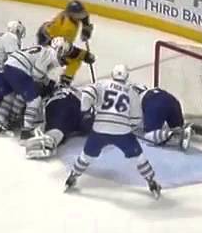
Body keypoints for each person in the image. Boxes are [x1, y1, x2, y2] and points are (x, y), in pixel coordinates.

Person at [65, 64, 162, 198]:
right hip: (122, 132)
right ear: (126, 77)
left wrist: (85, 111)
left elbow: (86, 93)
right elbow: (136, 118)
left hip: (99, 129)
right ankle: (151, 182)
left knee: (86, 155)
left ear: (112, 74)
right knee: (138, 157)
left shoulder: (102, 84)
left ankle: (72, 177)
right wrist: (129, 127)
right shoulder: (132, 92)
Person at [0, 37, 71, 135]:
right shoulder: (49, 53)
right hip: (19, 70)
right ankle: (27, 130)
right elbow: (37, 73)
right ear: (59, 49)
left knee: (11, 96)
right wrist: (47, 82)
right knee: (35, 100)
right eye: (64, 52)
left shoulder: (40, 48)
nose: (63, 55)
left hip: (8, 67)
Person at [134, 85, 202, 151]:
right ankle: (195, 128)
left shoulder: (130, 97)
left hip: (153, 102)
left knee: (149, 136)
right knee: (177, 127)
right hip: (171, 99)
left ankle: (177, 136)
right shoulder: (138, 87)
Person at [24, 84, 95, 159]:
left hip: (63, 102)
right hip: (77, 106)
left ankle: (49, 140)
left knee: (59, 124)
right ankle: (49, 140)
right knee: (61, 123)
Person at [37, 0, 97, 86]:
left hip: (47, 34)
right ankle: (63, 83)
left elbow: (84, 16)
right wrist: (85, 55)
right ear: (72, 14)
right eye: (79, 13)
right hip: (49, 43)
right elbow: (68, 49)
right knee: (74, 60)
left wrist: (86, 27)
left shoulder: (69, 15)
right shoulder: (68, 28)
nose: (81, 14)